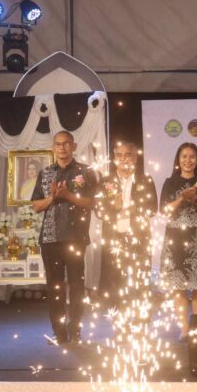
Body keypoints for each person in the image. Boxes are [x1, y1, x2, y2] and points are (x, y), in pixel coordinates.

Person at [31, 130, 98, 344]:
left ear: (74, 146)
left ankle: (75, 330)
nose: (62, 147)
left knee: (77, 286)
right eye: (58, 144)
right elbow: (36, 206)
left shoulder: (85, 172)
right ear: (53, 148)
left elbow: (93, 203)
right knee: (55, 286)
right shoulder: (45, 173)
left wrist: (69, 195)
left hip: (76, 237)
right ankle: (59, 333)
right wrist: (52, 198)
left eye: (67, 143)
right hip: (50, 239)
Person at [159, 142, 197, 341]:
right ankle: (184, 328)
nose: (188, 160)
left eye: (192, 156)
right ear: (178, 159)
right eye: (184, 156)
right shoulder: (170, 182)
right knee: (178, 286)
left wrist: (195, 198)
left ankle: (196, 326)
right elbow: (164, 210)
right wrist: (182, 199)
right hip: (175, 237)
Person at [95, 140, 158, 310]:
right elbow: (99, 211)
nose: (123, 159)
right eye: (119, 155)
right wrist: (114, 207)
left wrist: (136, 208)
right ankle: (119, 319)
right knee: (115, 282)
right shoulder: (105, 181)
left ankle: (141, 317)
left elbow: (152, 209)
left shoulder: (145, 180)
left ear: (135, 158)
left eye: (128, 155)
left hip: (140, 239)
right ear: (114, 158)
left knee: (140, 280)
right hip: (114, 241)